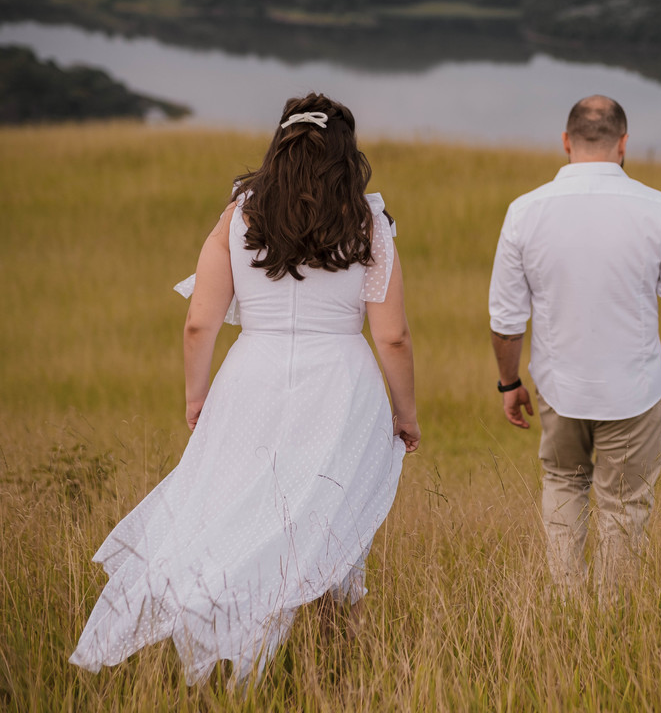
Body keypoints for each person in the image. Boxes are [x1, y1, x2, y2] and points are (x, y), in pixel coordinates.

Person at [69, 93, 420, 685]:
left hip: (249, 375)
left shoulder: (238, 218)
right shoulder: (367, 224)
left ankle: (215, 634)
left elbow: (200, 322)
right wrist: (405, 413)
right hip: (340, 383)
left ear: (278, 147)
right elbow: (394, 338)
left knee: (228, 505)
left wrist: (196, 396)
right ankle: (332, 656)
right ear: (345, 155)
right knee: (329, 513)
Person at [488, 94, 661, 597]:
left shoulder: (525, 211)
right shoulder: (659, 208)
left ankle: (568, 604)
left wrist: (510, 382)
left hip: (559, 388)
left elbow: (505, 320)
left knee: (563, 484)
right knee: (624, 506)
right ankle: (612, 621)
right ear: (623, 145)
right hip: (635, 388)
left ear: (566, 142)